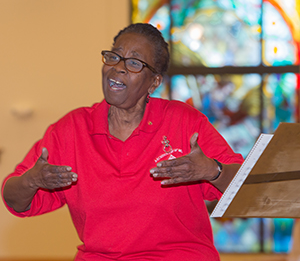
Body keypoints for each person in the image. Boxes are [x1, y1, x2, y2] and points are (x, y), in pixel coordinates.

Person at [2, 23, 244, 260]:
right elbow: (13, 198)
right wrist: (33, 180)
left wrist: (213, 170)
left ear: (154, 82)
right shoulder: (73, 129)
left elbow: (246, 187)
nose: (118, 68)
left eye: (134, 63)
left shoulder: (183, 121)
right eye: (114, 57)